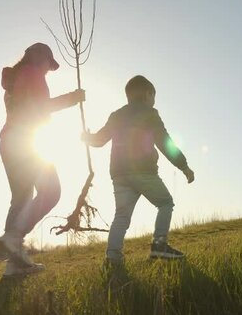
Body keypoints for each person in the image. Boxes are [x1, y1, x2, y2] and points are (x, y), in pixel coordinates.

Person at [82, 75, 194, 265]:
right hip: (143, 171)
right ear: (148, 94)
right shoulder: (150, 114)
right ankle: (159, 245)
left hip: (119, 174)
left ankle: (112, 257)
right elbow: (165, 143)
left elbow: (99, 140)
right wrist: (184, 166)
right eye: (154, 96)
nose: (154, 100)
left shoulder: (116, 115)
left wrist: (86, 137)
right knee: (166, 203)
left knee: (122, 216)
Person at [0, 43, 85, 276]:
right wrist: (72, 98)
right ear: (40, 58)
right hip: (27, 141)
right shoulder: (32, 73)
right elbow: (40, 107)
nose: (47, 70)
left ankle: (13, 266)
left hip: (8, 142)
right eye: (48, 64)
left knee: (21, 199)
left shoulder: (13, 79)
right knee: (51, 191)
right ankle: (13, 237)